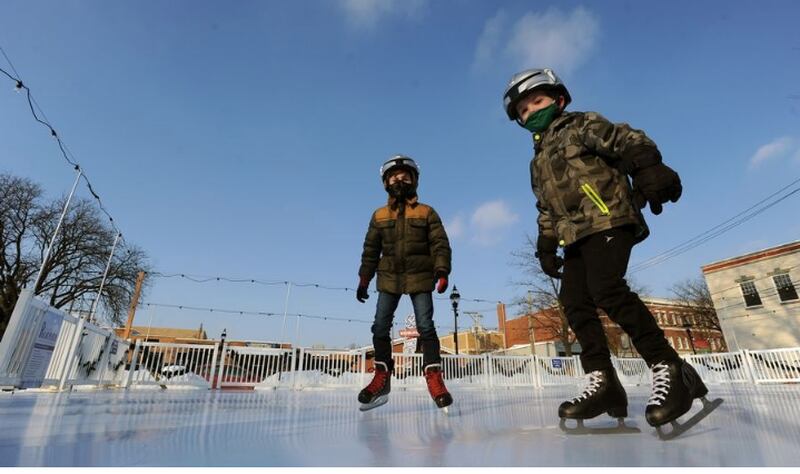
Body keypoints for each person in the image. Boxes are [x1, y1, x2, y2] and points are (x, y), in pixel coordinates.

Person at [502, 68, 712, 431]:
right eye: (522, 110)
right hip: (576, 237)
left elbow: (626, 138)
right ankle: (604, 382)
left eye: (537, 101)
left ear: (560, 99)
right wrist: (546, 243)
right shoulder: (537, 162)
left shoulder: (582, 124)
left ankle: (669, 367)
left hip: (610, 219)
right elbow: (545, 208)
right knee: (574, 303)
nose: (531, 111)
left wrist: (648, 165)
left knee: (607, 288)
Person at [356, 155, 453, 411]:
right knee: (379, 326)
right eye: (394, 177)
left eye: (405, 176)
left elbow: (439, 243)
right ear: (386, 183)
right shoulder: (379, 216)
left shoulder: (426, 212)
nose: (400, 180)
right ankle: (381, 376)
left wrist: (442, 270)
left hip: (420, 276)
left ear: (414, 181)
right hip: (389, 277)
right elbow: (370, 249)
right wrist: (364, 278)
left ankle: (434, 378)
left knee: (426, 327)